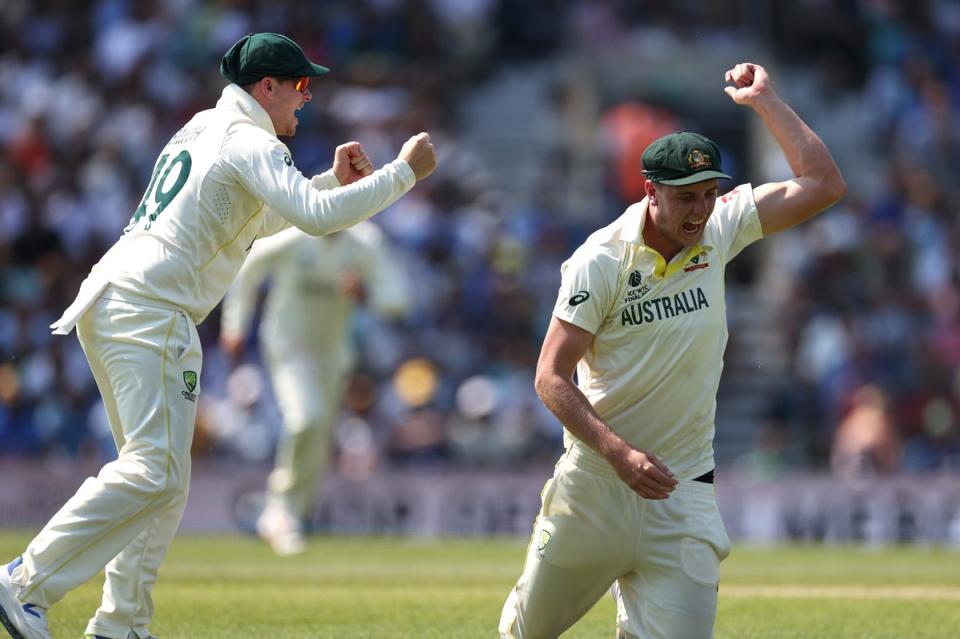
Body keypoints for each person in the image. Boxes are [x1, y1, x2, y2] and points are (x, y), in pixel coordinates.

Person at [0, 32, 436, 639]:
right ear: (268, 88)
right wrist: (401, 174)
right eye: (301, 87)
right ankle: (23, 583)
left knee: (165, 481)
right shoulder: (251, 140)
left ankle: (121, 624)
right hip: (148, 308)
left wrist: (333, 180)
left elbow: (269, 215)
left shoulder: (207, 126)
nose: (305, 100)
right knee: (154, 470)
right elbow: (311, 222)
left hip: (129, 301)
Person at [499, 62, 846, 639]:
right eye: (686, 198)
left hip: (683, 493)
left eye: (710, 193)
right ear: (650, 191)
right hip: (596, 488)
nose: (700, 210)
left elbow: (824, 185)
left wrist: (766, 101)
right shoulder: (601, 258)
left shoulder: (721, 226)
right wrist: (617, 453)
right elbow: (550, 377)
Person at [219, 220, 411, 555]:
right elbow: (249, 267)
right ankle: (281, 510)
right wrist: (234, 324)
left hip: (333, 354)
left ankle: (295, 515)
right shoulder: (295, 236)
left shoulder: (363, 242)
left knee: (318, 433)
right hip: (288, 345)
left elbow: (398, 297)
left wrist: (366, 293)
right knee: (304, 418)